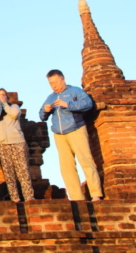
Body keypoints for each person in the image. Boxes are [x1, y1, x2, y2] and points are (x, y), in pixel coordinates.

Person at [39, 69, 102, 201]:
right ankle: (76, 198)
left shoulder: (75, 91)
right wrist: (45, 110)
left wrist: (67, 104)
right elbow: (41, 115)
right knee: (67, 168)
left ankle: (95, 194)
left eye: (56, 82)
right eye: (51, 83)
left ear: (63, 79)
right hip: (59, 134)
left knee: (86, 161)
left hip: (76, 129)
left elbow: (87, 103)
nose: (54, 86)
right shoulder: (50, 97)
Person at [0, 88, 34, 202]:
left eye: (4, 95)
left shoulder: (14, 107)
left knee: (23, 171)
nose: (2, 97)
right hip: (3, 144)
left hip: (17, 141)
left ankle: (29, 197)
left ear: (7, 97)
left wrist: (5, 105)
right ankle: (15, 199)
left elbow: (14, 114)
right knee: (9, 174)